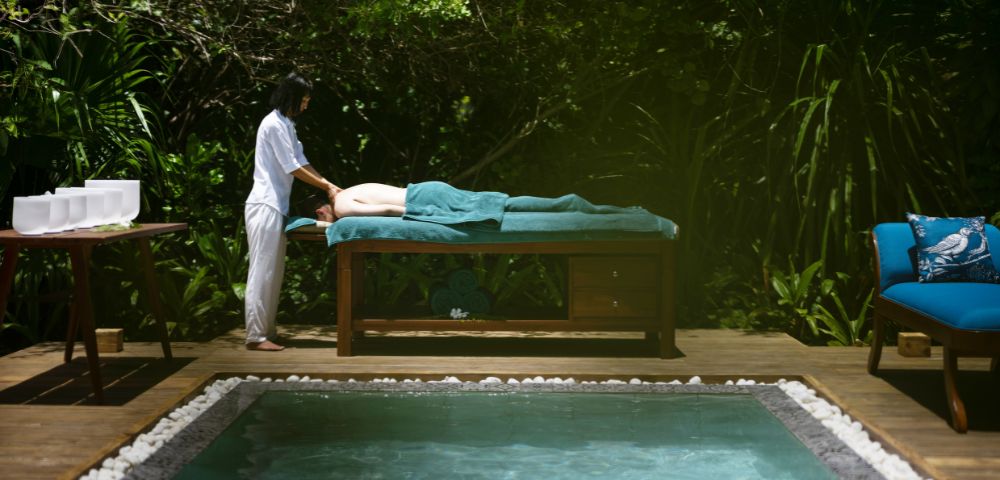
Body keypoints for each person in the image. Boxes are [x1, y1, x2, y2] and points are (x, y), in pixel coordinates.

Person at [244, 73, 342, 351]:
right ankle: (255, 337)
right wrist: (326, 186)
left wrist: (329, 186)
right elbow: (292, 167)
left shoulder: (286, 125)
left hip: (276, 205)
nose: (307, 105)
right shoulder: (273, 124)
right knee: (262, 271)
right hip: (264, 204)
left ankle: (266, 332)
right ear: (293, 97)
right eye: (305, 99)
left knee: (273, 271)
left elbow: (302, 162)